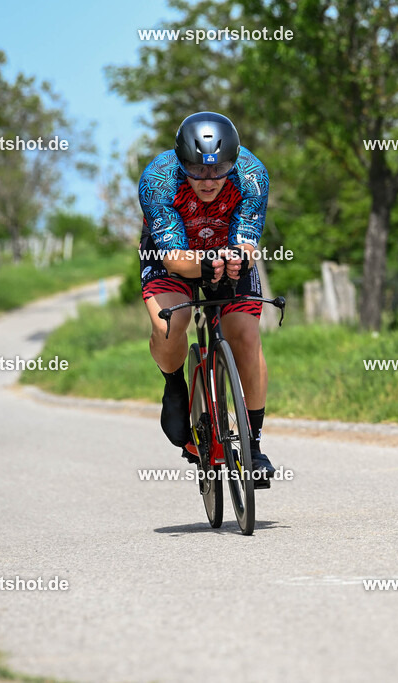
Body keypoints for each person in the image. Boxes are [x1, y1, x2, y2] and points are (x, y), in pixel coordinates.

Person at [136, 111, 274, 480]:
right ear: (181, 163)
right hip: (175, 255)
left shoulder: (252, 176)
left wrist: (238, 259)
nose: (209, 180)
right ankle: (175, 384)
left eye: (219, 169)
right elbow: (176, 260)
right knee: (171, 323)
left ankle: (255, 446)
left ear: (235, 160)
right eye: (197, 170)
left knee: (244, 333)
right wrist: (205, 262)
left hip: (227, 251)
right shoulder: (158, 180)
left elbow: (248, 241)